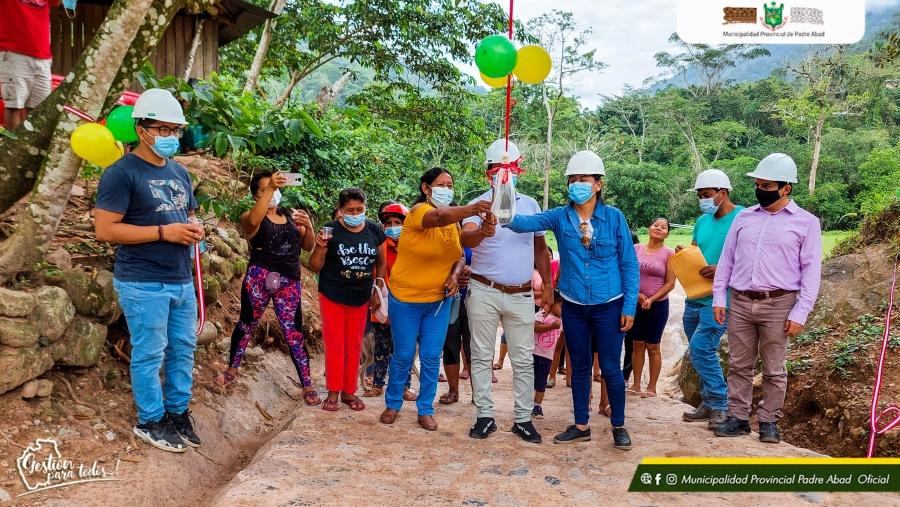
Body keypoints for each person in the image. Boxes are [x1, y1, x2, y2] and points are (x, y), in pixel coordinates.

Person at [506, 150, 638, 450]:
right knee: (578, 367)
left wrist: (629, 306)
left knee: (610, 368)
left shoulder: (614, 217)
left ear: (598, 184)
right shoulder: (559, 216)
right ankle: (581, 425)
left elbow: (629, 263)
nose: (577, 184)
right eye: (573, 179)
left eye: (584, 179)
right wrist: (501, 206)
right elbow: (523, 223)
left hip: (610, 304)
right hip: (574, 306)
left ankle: (618, 425)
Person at [94, 89, 203, 452]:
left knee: (183, 349)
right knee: (150, 353)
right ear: (142, 130)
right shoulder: (121, 173)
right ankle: (151, 420)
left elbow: (186, 214)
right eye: (164, 129)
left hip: (181, 280)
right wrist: (162, 232)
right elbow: (106, 229)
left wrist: (194, 228)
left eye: (176, 130)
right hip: (143, 281)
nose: (171, 137)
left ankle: (177, 413)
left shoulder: (180, 172)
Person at [712, 154, 822, 444]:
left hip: (779, 304)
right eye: (758, 184)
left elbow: (812, 273)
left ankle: (769, 421)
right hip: (740, 301)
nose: (760, 189)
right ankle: (737, 418)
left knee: (774, 368)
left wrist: (800, 313)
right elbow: (727, 260)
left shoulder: (806, 223)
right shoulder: (744, 218)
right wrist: (718, 297)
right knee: (739, 364)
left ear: (786, 188)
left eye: (767, 184)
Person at [379, 168, 492, 431]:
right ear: (426, 188)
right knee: (404, 355)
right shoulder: (419, 212)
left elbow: (461, 252)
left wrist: (457, 271)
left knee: (431, 357)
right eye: (440, 184)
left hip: (439, 301)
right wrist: (473, 208)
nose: (447, 189)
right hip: (406, 299)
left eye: (450, 184)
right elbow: (439, 215)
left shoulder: (454, 222)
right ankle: (393, 403)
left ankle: (425, 409)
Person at [463, 140, 553, 444]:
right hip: (484, 289)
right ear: (489, 172)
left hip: (522, 293)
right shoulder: (478, 205)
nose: (504, 175)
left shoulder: (529, 205)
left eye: (509, 169)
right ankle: (484, 416)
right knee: (481, 354)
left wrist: (549, 285)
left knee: (523, 358)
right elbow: (466, 237)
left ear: (517, 171)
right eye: (498, 169)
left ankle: (523, 419)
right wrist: (482, 231)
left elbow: (540, 246)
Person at [212, 170, 320, 406]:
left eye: (276, 187)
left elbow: (308, 245)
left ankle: (307, 385)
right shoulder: (248, 216)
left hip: (289, 282)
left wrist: (309, 226)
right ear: (255, 195)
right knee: (246, 324)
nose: (273, 191)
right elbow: (252, 222)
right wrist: (270, 186)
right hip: (258, 278)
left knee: (294, 333)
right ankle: (232, 369)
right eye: (266, 188)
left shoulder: (291, 215)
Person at [309, 187, 387, 412]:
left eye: (359, 209)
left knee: (354, 346)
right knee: (335, 345)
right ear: (341, 209)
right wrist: (320, 247)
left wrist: (377, 288)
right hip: (332, 294)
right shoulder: (330, 231)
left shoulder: (375, 231)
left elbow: (381, 263)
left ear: (366, 207)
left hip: (361, 296)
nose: (355, 213)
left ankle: (349, 392)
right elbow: (314, 266)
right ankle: (333, 391)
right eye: (349, 210)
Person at [678, 169, 743, 430]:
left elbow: (752, 258)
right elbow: (696, 249)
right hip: (695, 297)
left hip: (721, 299)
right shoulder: (701, 221)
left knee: (702, 348)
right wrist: (685, 253)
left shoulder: (743, 218)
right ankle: (707, 403)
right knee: (701, 352)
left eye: (706, 195)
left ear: (722, 193)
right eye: (700, 196)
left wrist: (722, 268)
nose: (702, 200)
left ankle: (720, 405)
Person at [363, 202, 416, 401]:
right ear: (383, 225)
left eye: (397, 222)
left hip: (407, 304)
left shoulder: (412, 246)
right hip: (382, 303)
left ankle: (405, 386)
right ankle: (378, 384)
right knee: (381, 347)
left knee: (403, 348)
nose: (393, 226)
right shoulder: (379, 245)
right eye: (389, 222)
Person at [628, 218, 675, 398]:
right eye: (656, 225)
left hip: (658, 305)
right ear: (649, 228)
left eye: (663, 227)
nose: (658, 228)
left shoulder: (669, 253)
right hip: (635, 303)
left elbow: (670, 283)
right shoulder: (636, 249)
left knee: (653, 346)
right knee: (637, 344)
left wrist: (652, 299)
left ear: (667, 234)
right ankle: (636, 384)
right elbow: (628, 273)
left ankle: (652, 387)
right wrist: (637, 295)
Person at [0, 0, 59, 130]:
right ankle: (13, 148)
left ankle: (29, 148)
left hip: (43, 56)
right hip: (14, 52)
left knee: (38, 109)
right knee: (14, 105)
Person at [439, 246, 473, 404]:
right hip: (449, 299)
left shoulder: (486, 237)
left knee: (474, 348)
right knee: (450, 345)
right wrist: (454, 275)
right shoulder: (447, 237)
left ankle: (479, 393)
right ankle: (453, 391)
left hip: (477, 299)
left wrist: (470, 271)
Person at [532, 291, 563, 419]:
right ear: (553, 303)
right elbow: (535, 327)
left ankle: (537, 405)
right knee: (528, 380)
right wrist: (551, 326)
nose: (563, 310)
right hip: (533, 353)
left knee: (541, 383)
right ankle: (525, 402)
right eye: (561, 306)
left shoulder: (562, 321)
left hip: (547, 357)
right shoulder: (542, 314)